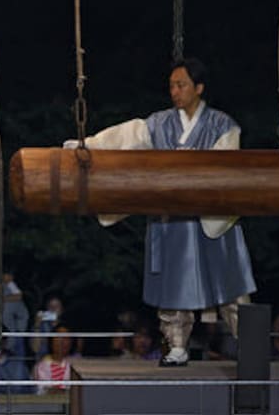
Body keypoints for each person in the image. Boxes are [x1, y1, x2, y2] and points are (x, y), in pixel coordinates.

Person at [66, 58, 256, 366]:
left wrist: (192, 163)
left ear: (199, 88)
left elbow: (227, 166)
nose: (175, 91)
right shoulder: (159, 123)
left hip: (210, 218)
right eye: (171, 85)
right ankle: (177, 344)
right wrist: (88, 145)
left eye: (181, 85)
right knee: (173, 284)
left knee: (229, 283)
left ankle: (248, 345)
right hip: (172, 220)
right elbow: (124, 137)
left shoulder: (223, 125)